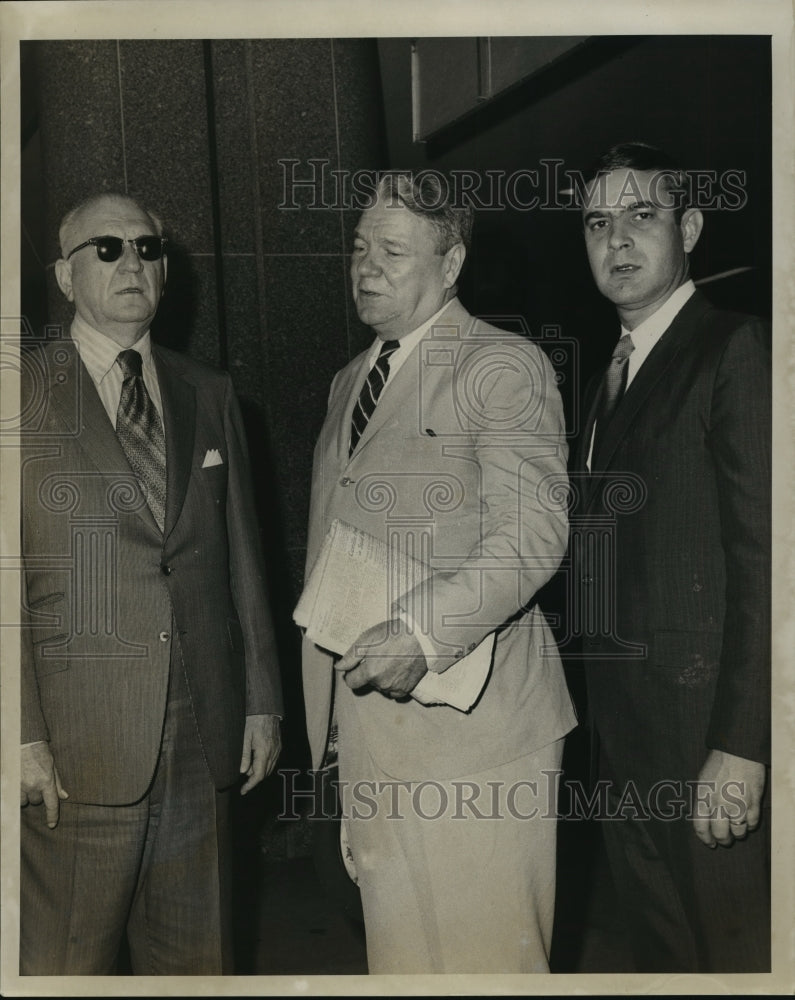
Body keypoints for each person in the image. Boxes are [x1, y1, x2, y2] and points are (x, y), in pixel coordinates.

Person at [300, 172, 576, 974]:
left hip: (476, 741)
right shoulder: (348, 381)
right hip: (366, 738)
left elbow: (532, 535)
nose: (365, 266)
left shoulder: (502, 364)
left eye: (391, 250)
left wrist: (422, 631)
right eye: (358, 248)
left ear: (450, 262)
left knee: (488, 970)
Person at [19, 193, 284, 975]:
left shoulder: (208, 391)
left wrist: (262, 698)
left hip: (203, 738)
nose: (132, 262)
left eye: (147, 247)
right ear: (63, 278)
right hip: (75, 746)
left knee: (194, 968)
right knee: (63, 966)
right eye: (105, 250)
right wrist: (20, 734)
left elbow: (243, 555)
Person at [572, 142, 770, 972]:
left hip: (703, 745)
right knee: (664, 962)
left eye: (640, 216)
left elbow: (771, 563)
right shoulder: (605, 375)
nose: (615, 240)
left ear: (688, 226)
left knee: (736, 958)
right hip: (622, 743)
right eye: (596, 222)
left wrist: (743, 745)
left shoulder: (734, 349)